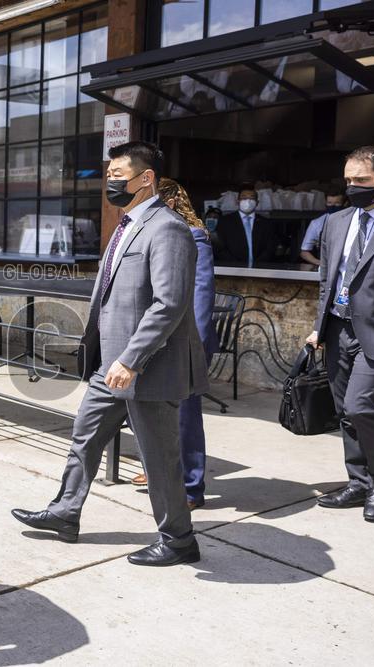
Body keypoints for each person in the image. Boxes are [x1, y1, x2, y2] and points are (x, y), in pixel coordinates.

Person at [11, 141, 209, 566]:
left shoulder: (167, 228)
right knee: (84, 436)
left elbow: (169, 304)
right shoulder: (126, 226)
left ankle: (178, 540)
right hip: (111, 366)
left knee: (159, 458)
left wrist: (131, 359)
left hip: (145, 366)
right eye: (110, 174)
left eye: (119, 173)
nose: (111, 181)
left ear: (146, 178)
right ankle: (66, 512)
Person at [307, 145, 374, 522]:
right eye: (348, 180)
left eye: (362, 180)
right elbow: (326, 280)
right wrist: (319, 328)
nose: (353, 187)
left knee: (361, 407)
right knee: (344, 411)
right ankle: (358, 481)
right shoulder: (336, 222)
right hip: (337, 331)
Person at [130, 178, 217, 510]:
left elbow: (201, 298)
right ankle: (158, 472)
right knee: (151, 410)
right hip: (150, 338)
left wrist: (197, 348)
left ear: (167, 202)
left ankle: (192, 487)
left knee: (185, 415)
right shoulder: (149, 234)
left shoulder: (194, 236)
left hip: (183, 342)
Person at [214, 187, 278, 267]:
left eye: (252, 198)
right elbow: (219, 247)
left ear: (257, 202)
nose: (248, 201)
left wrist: (258, 265)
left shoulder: (267, 223)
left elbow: (270, 248)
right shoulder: (225, 222)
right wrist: (235, 265)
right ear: (238, 201)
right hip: (232, 269)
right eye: (244, 198)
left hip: (260, 269)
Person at [300, 191, 347, 267]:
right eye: (329, 203)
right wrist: (321, 264)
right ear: (325, 203)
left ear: (345, 203)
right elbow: (304, 252)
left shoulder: (353, 221)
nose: (333, 206)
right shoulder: (317, 223)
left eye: (337, 203)